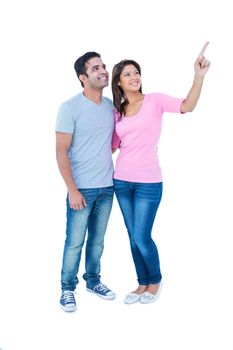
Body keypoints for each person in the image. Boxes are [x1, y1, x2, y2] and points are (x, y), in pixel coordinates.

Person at [111, 42, 210, 304]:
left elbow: (187, 105)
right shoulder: (117, 113)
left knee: (142, 236)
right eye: (128, 74)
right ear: (119, 83)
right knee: (132, 237)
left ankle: (155, 280)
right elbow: (110, 147)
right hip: (121, 181)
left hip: (148, 182)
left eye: (136, 72)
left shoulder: (154, 101)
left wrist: (198, 76)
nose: (134, 77)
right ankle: (141, 283)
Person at [56, 52, 116, 312]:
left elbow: (110, 143)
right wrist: (72, 190)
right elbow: (61, 151)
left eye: (103, 66)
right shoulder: (69, 108)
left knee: (98, 241)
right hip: (81, 190)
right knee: (75, 241)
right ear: (83, 77)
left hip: (107, 187)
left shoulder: (110, 106)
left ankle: (93, 281)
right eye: (95, 68)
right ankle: (67, 288)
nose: (103, 70)